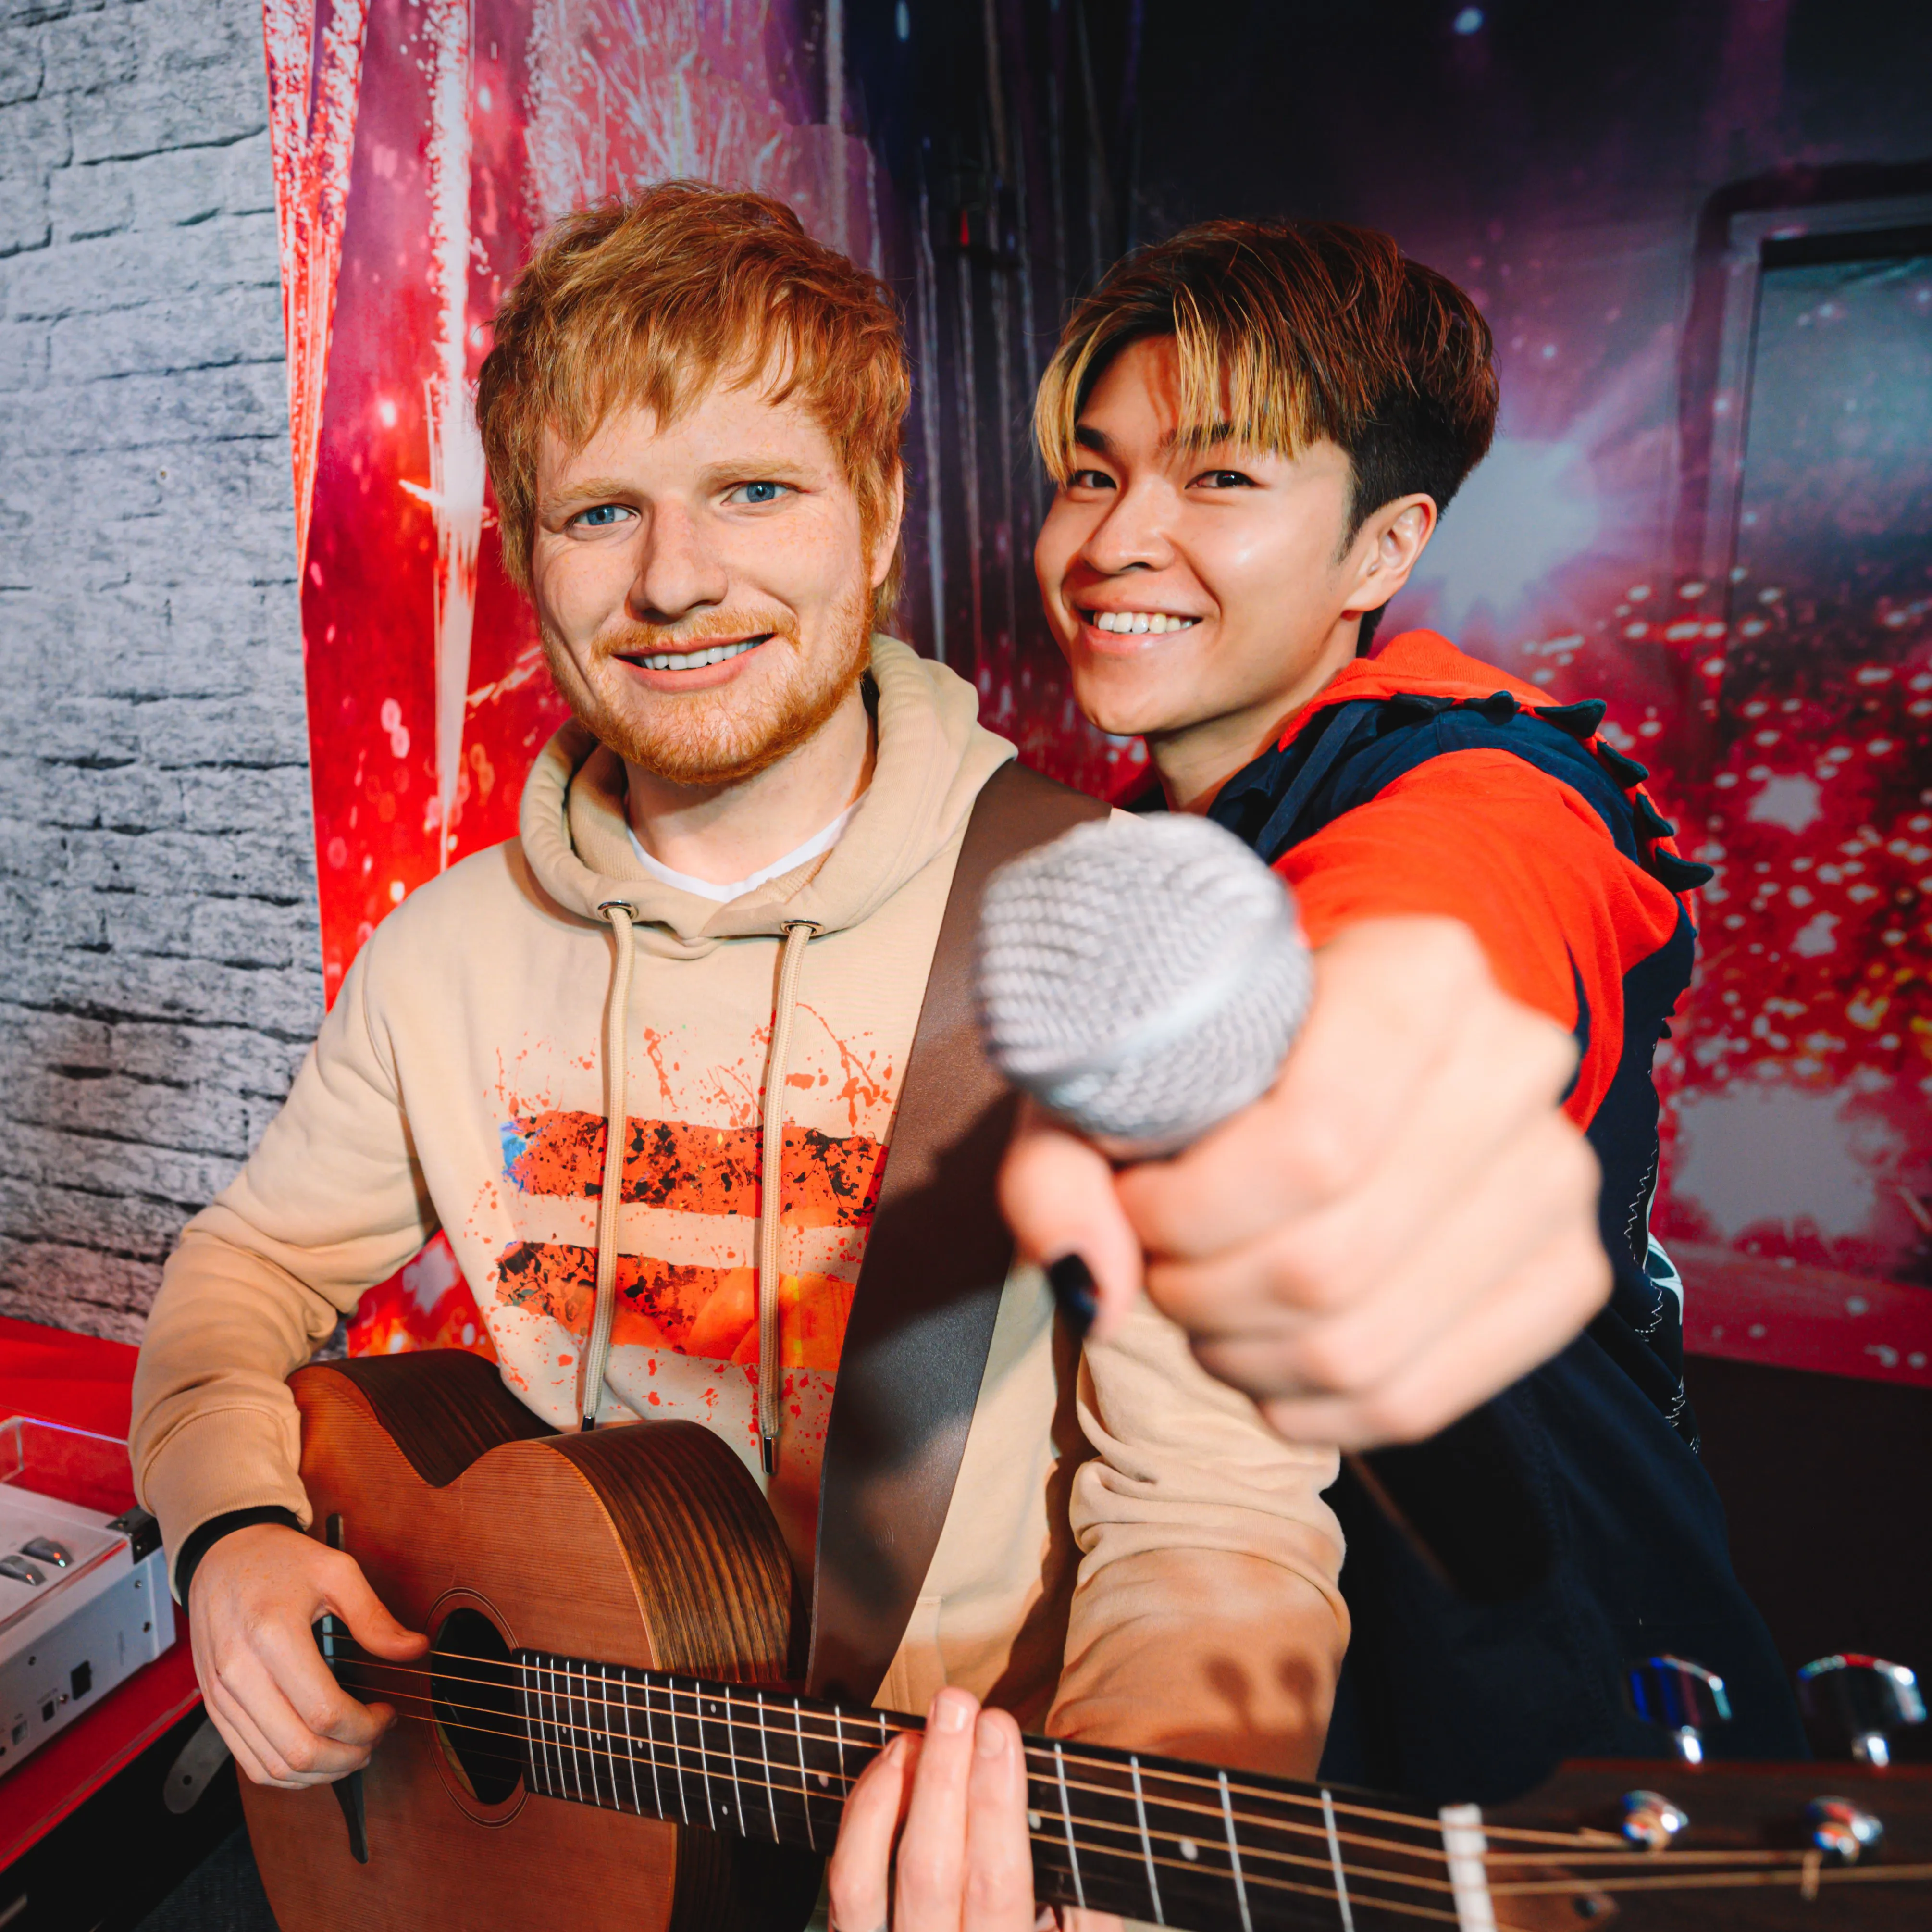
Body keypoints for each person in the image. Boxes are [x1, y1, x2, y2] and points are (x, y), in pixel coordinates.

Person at [128, 185, 1351, 1928]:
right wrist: (232, 1533)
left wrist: (1126, 1848)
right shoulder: (447, 951)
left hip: (916, 1852)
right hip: (545, 1826)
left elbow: (1219, 1521)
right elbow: (242, 1272)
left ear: (876, 521)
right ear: (528, 555)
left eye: (752, 490)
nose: (674, 578)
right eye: (600, 510)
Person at [998, 219, 1808, 1804]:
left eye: (1220, 480)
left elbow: (1427, 936)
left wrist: (1330, 1077)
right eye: (1094, 474)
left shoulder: (1485, 781)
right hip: (1230, 1670)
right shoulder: (1127, 829)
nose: (1109, 543)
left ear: (1382, 550)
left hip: (1533, 1719)